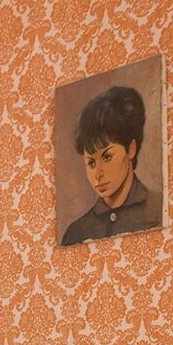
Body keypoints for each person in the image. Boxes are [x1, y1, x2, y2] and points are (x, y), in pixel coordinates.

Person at [61, 86, 162, 246]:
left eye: (107, 157)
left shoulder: (160, 210)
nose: (98, 174)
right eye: (91, 163)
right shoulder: (76, 233)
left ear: (131, 149)